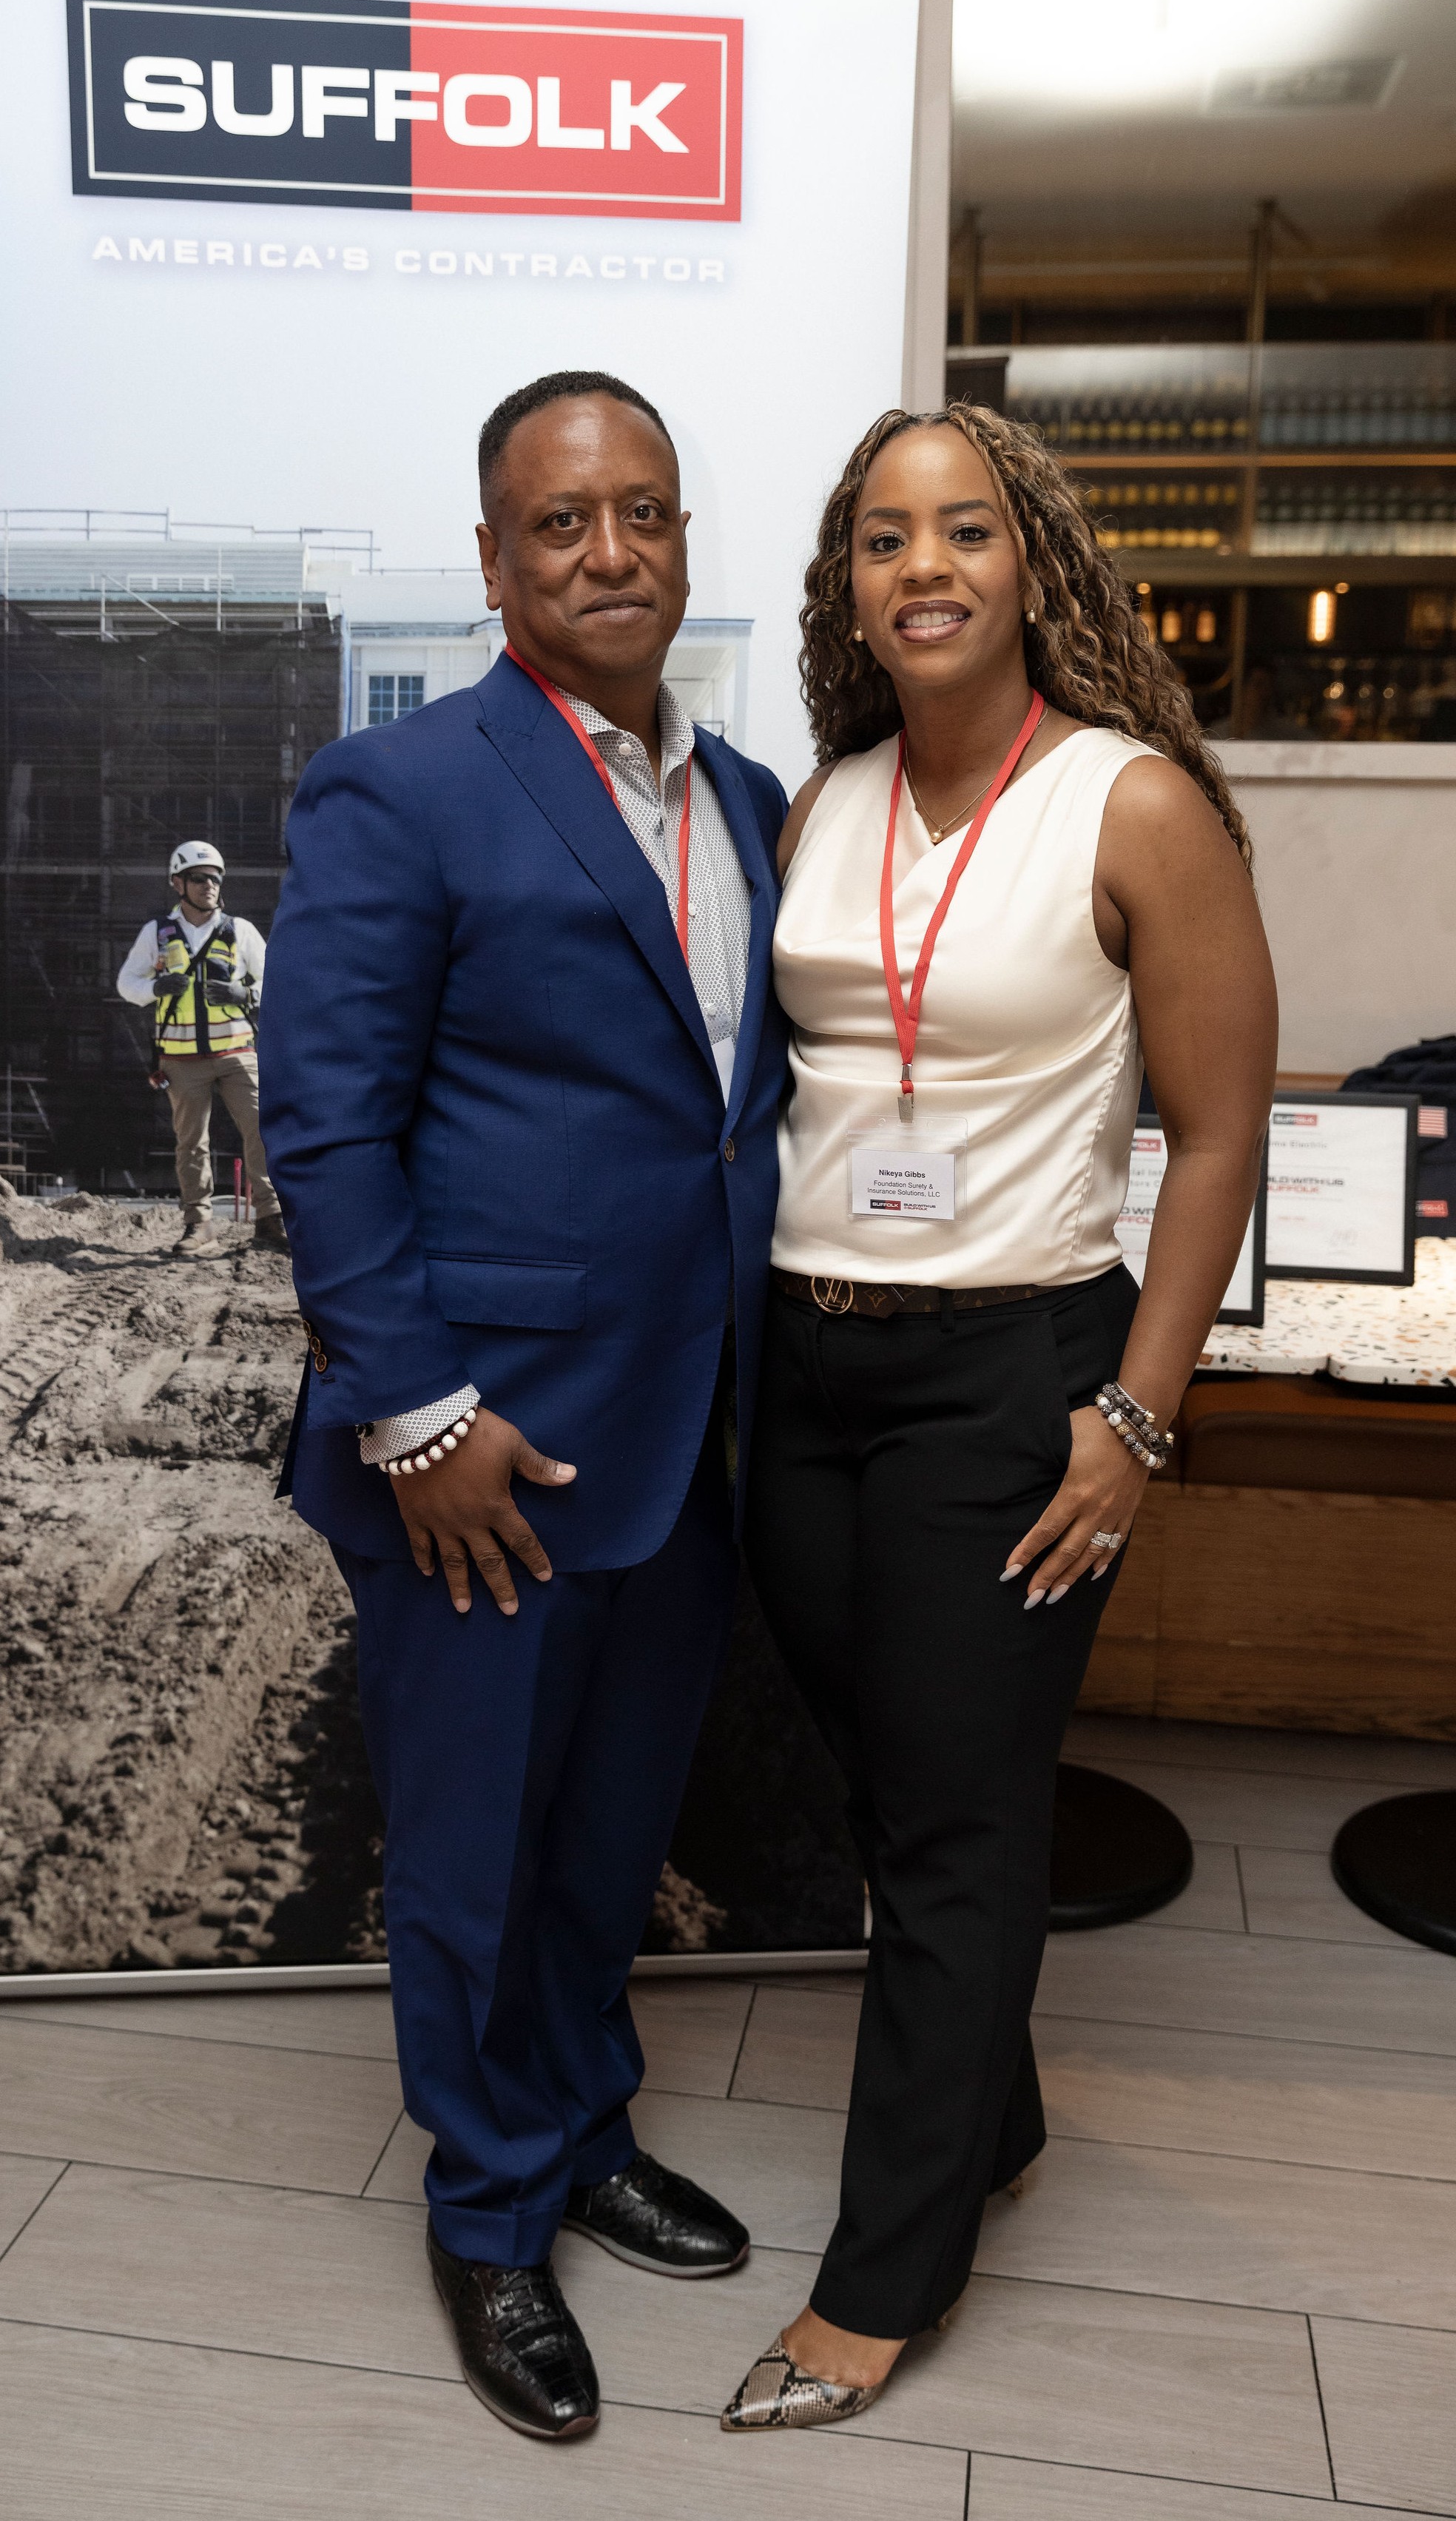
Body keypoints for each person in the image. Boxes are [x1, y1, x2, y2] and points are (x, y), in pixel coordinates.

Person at [721, 401, 1277, 2432]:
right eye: (886, 538)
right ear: (846, 584)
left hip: (1013, 1370)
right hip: (807, 1360)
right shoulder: (824, 802)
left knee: (958, 1827)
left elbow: (1216, 1137)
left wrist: (1138, 1418)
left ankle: (886, 2273)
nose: (925, 568)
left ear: (1030, 562)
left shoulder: (1133, 807)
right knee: (900, 1787)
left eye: (966, 531)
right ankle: (997, 2113)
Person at [257, 371, 788, 2446]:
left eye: (643, 511)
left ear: (679, 538)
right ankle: (485, 2216)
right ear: (494, 561)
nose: (610, 549)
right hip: (482, 1457)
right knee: (477, 1853)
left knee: (604, 1841)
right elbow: (328, 1118)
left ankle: (577, 2132)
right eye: (561, 522)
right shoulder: (400, 786)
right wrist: (410, 1415)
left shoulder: (746, 796)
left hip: (684, 1435)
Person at [116, 841, 286, 1256]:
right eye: (199, 877)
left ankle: (271, 1219)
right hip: (181, 1059)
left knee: (262, 1132)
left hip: (236, 1054)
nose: (209, 884)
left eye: (215, 878)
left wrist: (243, 993)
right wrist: (154, 986)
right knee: (191, 1142)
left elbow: (277, 982)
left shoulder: (239, 930)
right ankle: (199, 1224)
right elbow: (126, 985)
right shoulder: (156, 933)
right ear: (178, 883)